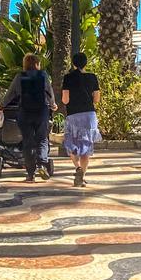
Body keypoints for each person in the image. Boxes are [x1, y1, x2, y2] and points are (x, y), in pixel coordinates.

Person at [0, 54, 57, 181]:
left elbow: (10, 94)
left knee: (28, 142)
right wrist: (53, 105)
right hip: (41, 112)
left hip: (25, 112)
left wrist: (1, 106)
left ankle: (31, 175)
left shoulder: (19, 77)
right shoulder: (43, 76)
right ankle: (42, 164)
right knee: (42, 139)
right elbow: (49, 93)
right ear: (37, 64)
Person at [61, 53, 101, 188]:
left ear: (73, 63)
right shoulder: (92, 77)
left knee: (71, 144)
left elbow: (65, 100)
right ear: (86, 63)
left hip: (73, 115)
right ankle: (82, 176)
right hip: (89, 115)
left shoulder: (68, 78)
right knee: (86, 148)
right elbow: (96, 99)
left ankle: (77, 168)